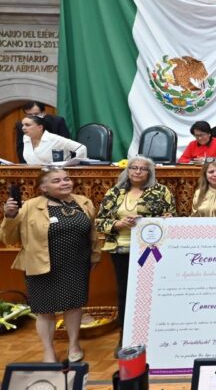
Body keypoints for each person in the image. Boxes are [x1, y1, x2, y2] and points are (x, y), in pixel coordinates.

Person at [1, 168, 99, 362]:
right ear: (43, 187)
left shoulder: (84, 202)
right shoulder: (30, 206)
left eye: (66, 179)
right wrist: (9, 217)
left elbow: (93, 235)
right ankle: (48, 350)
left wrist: (95, 256)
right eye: (56, 181)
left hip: (76, 264)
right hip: (41, 265)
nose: (64, 183)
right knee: (45, 310)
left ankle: (73, 344)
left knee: (74, 306)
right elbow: (9, 238)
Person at [96, 155, 176, 355]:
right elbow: (100, 221)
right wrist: (118, 224)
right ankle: (126, 336)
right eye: (134, 168)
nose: (138, 171)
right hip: (121, 249)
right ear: (127, 170)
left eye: (143, 168)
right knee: (125, 294)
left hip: (151, 251)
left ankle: (155, 335)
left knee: (153, 294)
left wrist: (155, 220)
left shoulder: (161, 191)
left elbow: (171, 218)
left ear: (150, 172)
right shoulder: (114, 192)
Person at [20, 116, 86, 165]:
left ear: (40, 127)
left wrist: (75, 167)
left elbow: (81, 148)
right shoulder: (26, 138)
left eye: (27, 125)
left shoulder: (53, 138)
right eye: (22, 125)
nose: (23, 128)